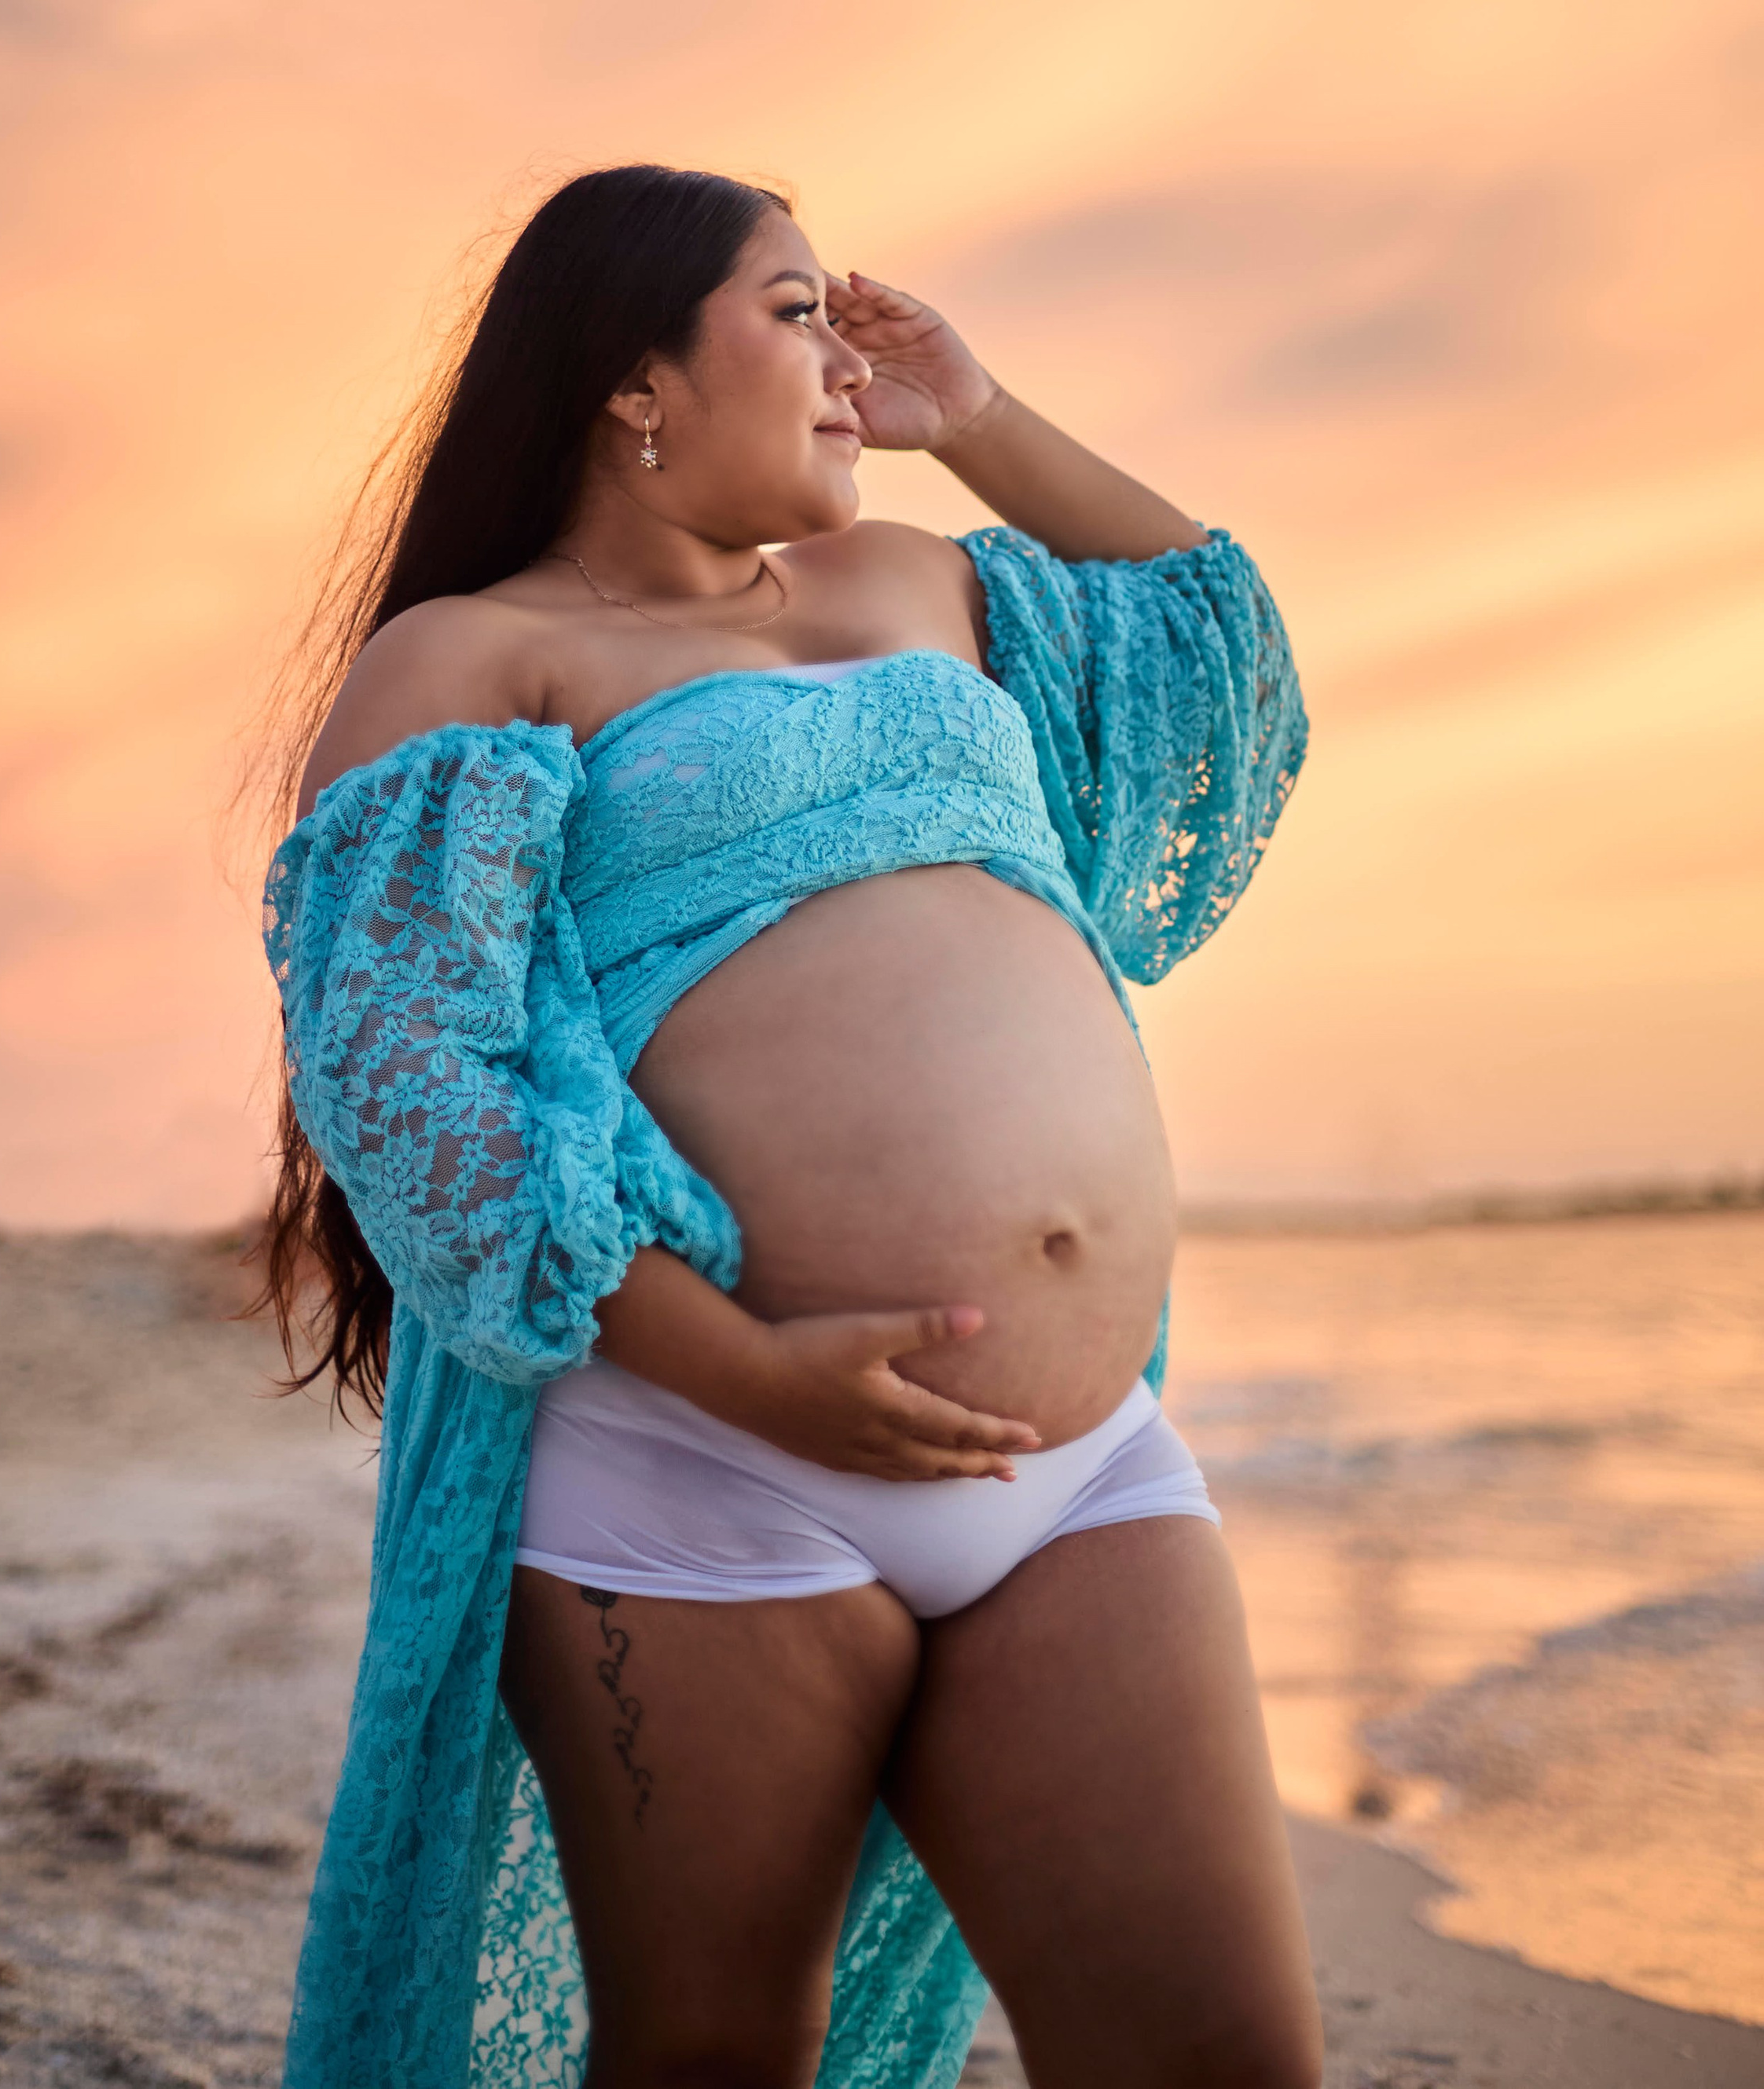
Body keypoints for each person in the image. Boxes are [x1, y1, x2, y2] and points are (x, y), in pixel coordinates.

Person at [258, 163, 1320, 2089]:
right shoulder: (479, 660)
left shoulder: (917, 578)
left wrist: (976, 421)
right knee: (713, 2056)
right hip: (688, 1464)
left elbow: (1212, 647)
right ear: (629, 379)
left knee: (1221, 2060)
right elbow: (417, 1091)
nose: (844, 360)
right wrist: (745, 1376)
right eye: (793, 310)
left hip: (1067, 1466)